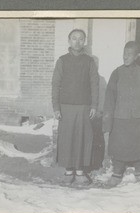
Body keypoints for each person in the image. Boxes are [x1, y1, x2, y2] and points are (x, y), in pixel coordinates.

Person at [103, 41, 140, 187]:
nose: (125, 57)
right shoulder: (117, 73)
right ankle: (116, 174)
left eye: (129, 54)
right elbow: (109, 98)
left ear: (136, 56)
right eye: (124, 53)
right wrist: (107, 122)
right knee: (119, 146)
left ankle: (139, 171)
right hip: (120, 117)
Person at [51, 29, 99, 185]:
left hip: (84, 107)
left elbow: (94, 84)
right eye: (74, 38)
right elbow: (55, 85)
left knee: (82, 138)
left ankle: (79, 171)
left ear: (84, 41)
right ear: (69, 41)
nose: (77, 42)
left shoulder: (89, 61)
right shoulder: (62, 61)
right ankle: (68, 171)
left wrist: (94, 105)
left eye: (81, 39)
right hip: (66, 107)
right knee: (67, 139)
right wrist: (56, 107)